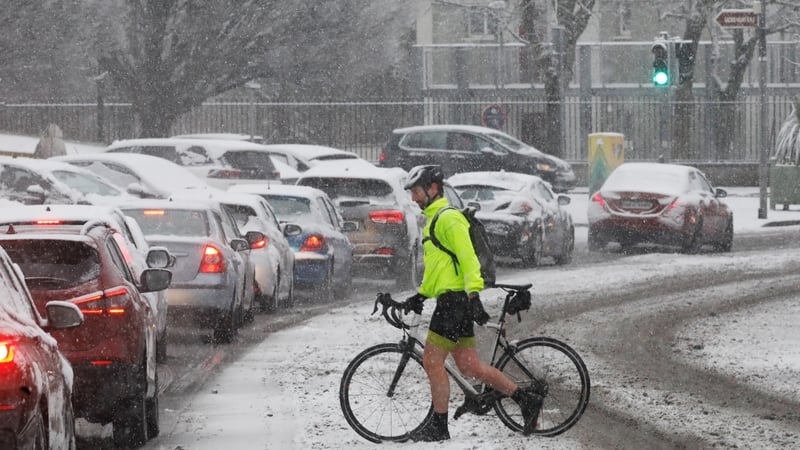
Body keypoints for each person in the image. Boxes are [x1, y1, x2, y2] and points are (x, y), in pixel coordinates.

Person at [401, 164, 542, 441]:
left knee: (431, 361)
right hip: (451, 300)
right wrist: (422, 294)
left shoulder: (448, 218)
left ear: (432, 189)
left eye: (417, 191)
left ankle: (438, 427)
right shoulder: (434, 220)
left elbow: (468, 260)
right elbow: (441, 268)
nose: (413, 198)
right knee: (470, 367)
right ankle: (525, 399)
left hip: (455, 302)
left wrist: (473, 294)